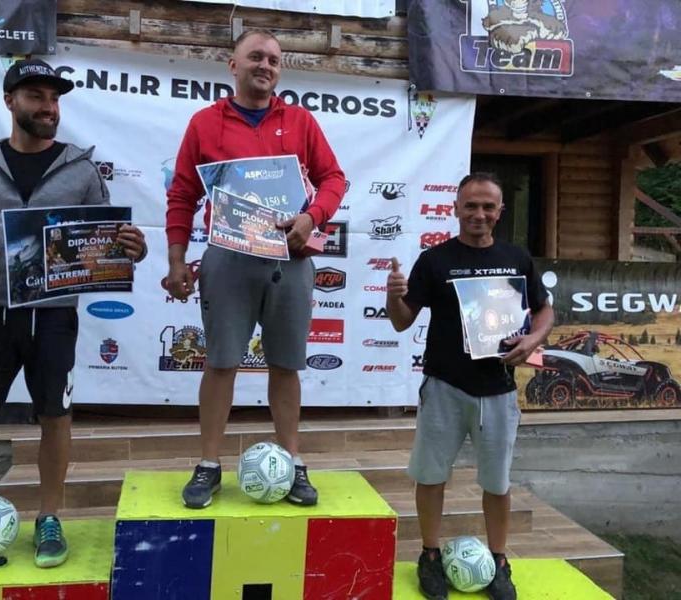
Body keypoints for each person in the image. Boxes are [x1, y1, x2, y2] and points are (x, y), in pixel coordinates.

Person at [0, 59, 147, 569]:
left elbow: (106, 240)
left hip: (55, 315)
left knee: (55, 415)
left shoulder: (82, 169)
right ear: (9, 101)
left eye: (54, 98)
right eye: (37, 96)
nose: (49, 107)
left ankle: (49, 516)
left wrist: (133, 247)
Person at [165, 29, 345, 509]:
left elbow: (333, 178)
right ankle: (208, 464)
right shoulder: (204, 123)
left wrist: (312, 217)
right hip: (228, 259)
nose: (265, 66)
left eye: (274, 60)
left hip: (290, 258)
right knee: (221, 362)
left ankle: (292, 462)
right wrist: (177, 260)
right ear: (233, 65)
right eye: (256, 57)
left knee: (285, 365)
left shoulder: (300, 120)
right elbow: (182, 194)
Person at [385, 173, 554, 600]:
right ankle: (429, 554)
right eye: (471, 205)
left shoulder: (517, 258)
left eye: (488, 206)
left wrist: (534, 339)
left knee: (497, 483)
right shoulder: (434, 260)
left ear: (500, 211)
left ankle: (499, 561)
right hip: (444, 386)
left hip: (498, 390)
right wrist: (393, 296)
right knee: (431, 477)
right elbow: (402, 321)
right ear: (456, 209)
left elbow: (544, 310)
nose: (479, 213)